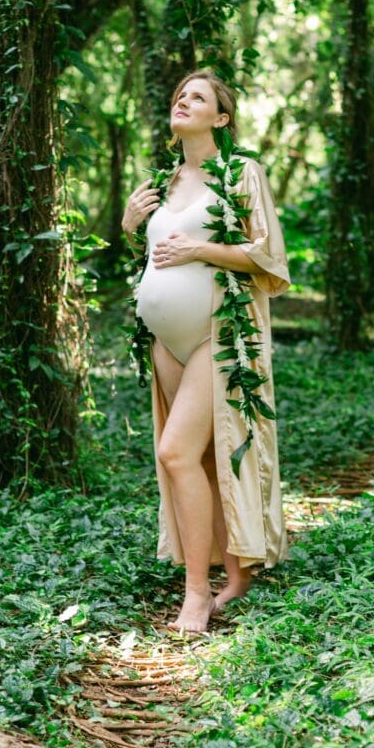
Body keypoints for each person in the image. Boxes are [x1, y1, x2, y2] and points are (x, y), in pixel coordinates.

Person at [121, 70, 291, 633]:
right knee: (201, 457)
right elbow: (153, 254)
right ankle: (235, 575)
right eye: (178, 95)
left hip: (218, 332)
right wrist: (129, 225)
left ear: (220, 118)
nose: (183, 101)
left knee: (175, 454)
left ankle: (196, 594)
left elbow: (266, 255)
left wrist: (204, 248)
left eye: (197, 97)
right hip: (167, 341)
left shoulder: (240, 173)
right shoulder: (165, 181)